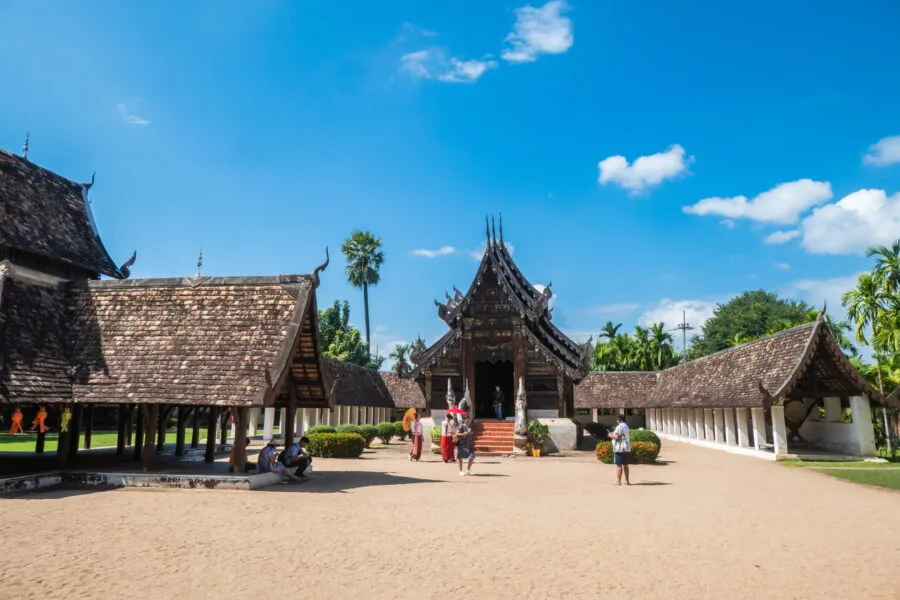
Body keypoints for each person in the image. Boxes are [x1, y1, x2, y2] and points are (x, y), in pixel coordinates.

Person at [607, 414, 631, 485]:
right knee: (626, 465)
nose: (616, 420)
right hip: (626, 447)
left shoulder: (619, 426)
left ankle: (618, 481)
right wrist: (614, 434)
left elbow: (617, 437)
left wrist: (610, 435)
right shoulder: (626, 426)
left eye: (617, 419)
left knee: (619, 465)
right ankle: (627, 481)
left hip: (620, 448)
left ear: (619, 420)